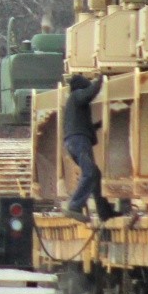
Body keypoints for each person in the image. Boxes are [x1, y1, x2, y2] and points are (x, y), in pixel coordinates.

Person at [61, 74, 114, 220]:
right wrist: (101, 79)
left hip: (74, 141)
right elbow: (89, 94)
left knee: (94, 174)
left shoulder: (75, 105)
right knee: (89, 172)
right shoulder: (77, 95)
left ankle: (104, 212)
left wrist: (99, 124)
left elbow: (84, 125)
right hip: (79, 141)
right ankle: (75, 206)